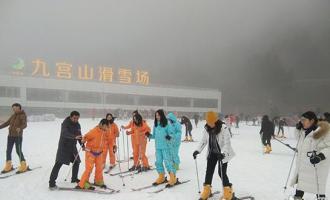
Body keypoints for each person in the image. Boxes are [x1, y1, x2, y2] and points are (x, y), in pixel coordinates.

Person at [193, 111, 235, 200]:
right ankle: (207, 191)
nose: (210, 124)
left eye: (211, 122)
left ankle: (228, 191)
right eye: (208, 122)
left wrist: (223, 153)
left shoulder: (223, 128)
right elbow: (204, 141)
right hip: (212, 153)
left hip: (222, 154)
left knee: (221, 173)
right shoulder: (206, 128)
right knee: (209, 171)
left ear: (215, 121)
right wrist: (197, 150)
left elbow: (227, 143)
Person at [290, 111, 330, 200]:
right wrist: (297, 129)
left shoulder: (324, 131)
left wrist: (320, 156)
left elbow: (329, 146)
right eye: (301, 120)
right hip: (304, 163)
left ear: (312, 120)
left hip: (317, 164)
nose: (301, 122)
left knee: (317, 184)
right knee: (302, 180)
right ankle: (298, 196)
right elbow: (298, 138)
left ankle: (321, 197)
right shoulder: (303, 130)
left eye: (304, 120)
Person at [49, 111, 82, 189]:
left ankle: (74, 179)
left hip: (73, 147)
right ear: (70, 117)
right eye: (74, 118)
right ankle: (51, 183)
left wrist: (82, 144)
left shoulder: (78, 125)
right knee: (58, 164)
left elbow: (79, 135)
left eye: (77, 118)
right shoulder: (65, 123)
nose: (76, 120)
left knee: (76, 162)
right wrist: (74, 137)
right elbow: (64, 133)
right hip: (64, 147)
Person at [76, 119, 109, 190]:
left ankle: (98, 181)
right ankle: (83, 183)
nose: (107, 128)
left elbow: (106, 140)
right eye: (106, 126)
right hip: (91, 153)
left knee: (99, 168)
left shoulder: (104, 132)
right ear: (101, 124)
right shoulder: (94, 131)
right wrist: (83, 140)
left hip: (99, 153)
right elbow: (85, 137)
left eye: (107, 127)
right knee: (89, 169)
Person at [148, 109, 177, 187]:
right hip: (158, 147)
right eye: (156, 115)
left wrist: (169, 137)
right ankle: (161, 176)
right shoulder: (156, 125)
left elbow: (172, 135)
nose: (157, 117)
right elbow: (154, 135)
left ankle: (172, 177)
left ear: (162, 115)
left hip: (166, 147)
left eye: (158, 115)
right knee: (158, 162)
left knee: (168, 162)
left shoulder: (167, 124)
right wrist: (149, 135)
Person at [0, 103, 28, 174]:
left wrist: (20, 128)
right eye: (13, 109)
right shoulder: (13, 115)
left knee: (18, 151)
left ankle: (23, 165)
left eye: (15, 108)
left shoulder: (22, 115)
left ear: (19, 108)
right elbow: (7, 123)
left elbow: (25, 124)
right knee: (8, 151)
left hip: (18, 136)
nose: (14, 110)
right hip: (10, 136)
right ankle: (8, 165)